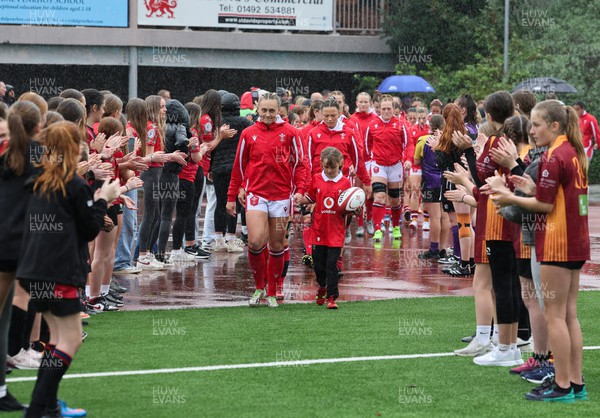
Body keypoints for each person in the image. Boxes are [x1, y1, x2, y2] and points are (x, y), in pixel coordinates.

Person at [17, 121, 121, 417]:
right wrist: (103, 199)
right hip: (57, 272)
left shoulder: (37, 179)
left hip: (33, 271)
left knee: (54, 340)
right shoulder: (72, 184)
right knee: (70, 340)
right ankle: (37, 409)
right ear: (72, 148)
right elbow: (90, 230)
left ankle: (47, 405)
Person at [490, 100, 589, 402]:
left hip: (557, 243)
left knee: (556, 316)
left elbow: (545, 206)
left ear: (555, 126)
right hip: (574, 241)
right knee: (569, 316)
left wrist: (510, 197)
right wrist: (532, 190)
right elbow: (557, 197)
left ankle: (561, 385)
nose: (531, 130)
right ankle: (574, 382)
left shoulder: (554, 155)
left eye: (536, 124)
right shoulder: (572, 152)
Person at [227, 92, 306, 308]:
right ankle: (259, 287)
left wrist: (300, 190)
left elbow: (301, 165)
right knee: (254, 241)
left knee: (277, 244)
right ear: (258, 110)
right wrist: (232, 195)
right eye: (264, 110)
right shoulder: (248, 133)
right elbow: (239, 167)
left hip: (282, 196)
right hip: (256, 195)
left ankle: (272, 290)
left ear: (279, 110)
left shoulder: (291, 133)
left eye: (272, 111)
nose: (268, 115)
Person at [0, 101, 44, 412]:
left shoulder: (10, 155)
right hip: (19, 243)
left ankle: (1, 389)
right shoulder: (36, 155)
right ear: (37, 127)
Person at [299, 147, 352, 309]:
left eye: (333, 168)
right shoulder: (316, 179)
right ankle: (322, 286)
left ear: (340, 164)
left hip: (336, 231)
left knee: (331, 264)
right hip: (319, 230)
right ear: (321, 164)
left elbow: (349, 204)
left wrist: (355, 208)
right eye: (326, 167)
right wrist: (299, 200)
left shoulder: (345, 182)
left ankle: (331, 297)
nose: (329, 171)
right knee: (319, 265)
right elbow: (310, 197)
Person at [365, 95, 407, 244]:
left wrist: (407, 160)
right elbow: (367, 145)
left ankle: (395, 227)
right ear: (379, 109)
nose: (386, 111)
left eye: (389, 108)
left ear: (394, 109)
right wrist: (369, 162)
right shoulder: (372, 125)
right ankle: (377, 228)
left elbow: (408, 145)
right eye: (384, 109)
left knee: (395, 200)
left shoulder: (401, 125)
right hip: (378, 165)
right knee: (379, 197)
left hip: (395, 165)